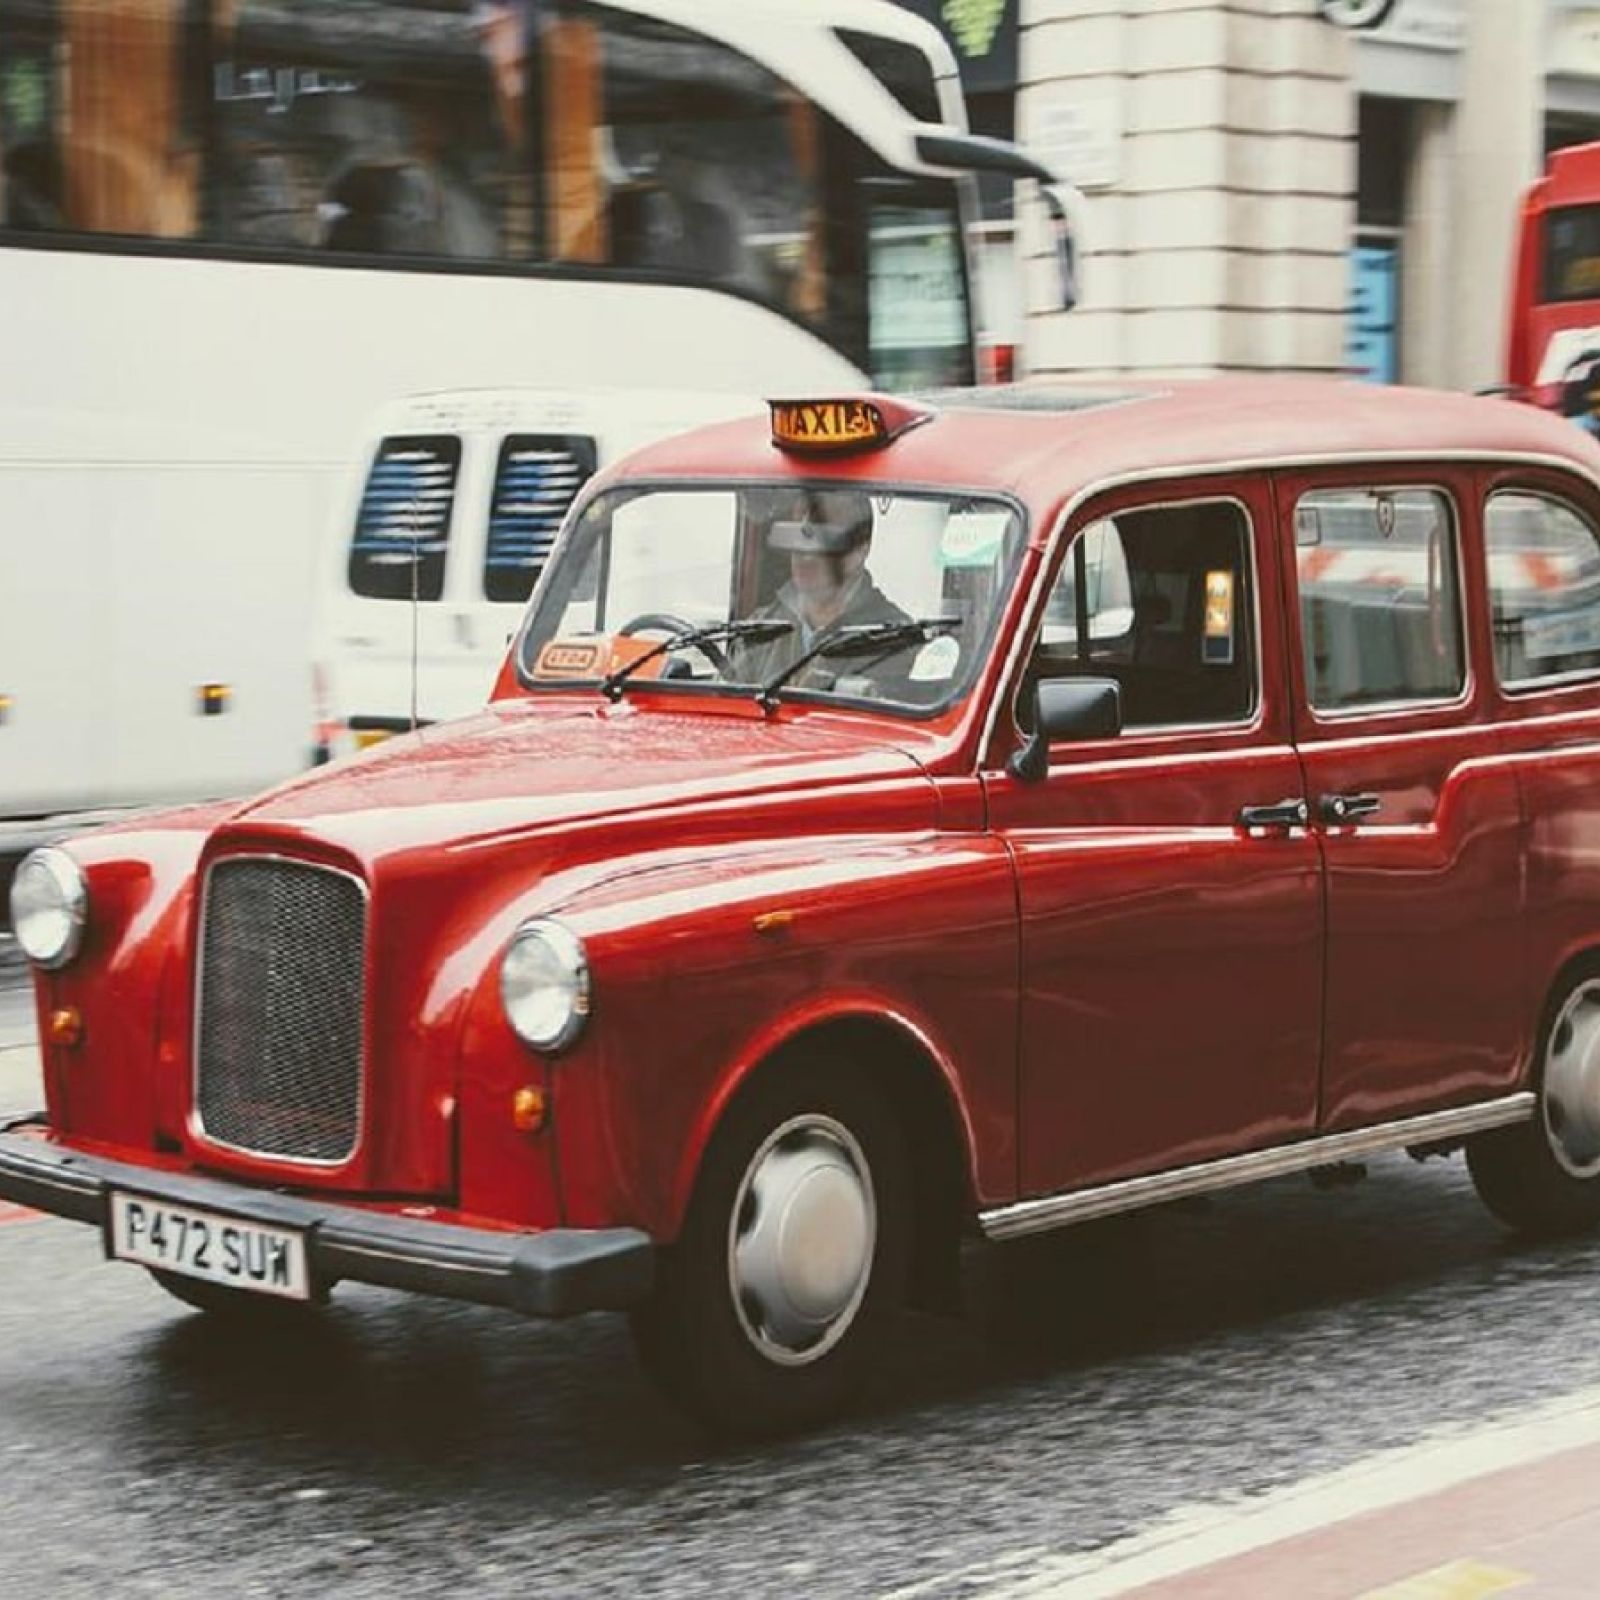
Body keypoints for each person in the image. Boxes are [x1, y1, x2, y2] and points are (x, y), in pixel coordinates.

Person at [738, 489, 910, 689]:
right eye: (798, 538)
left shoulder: (896, 640)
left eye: (823, 540)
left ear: (860, 550)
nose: (805, 555)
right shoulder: (760, 628)